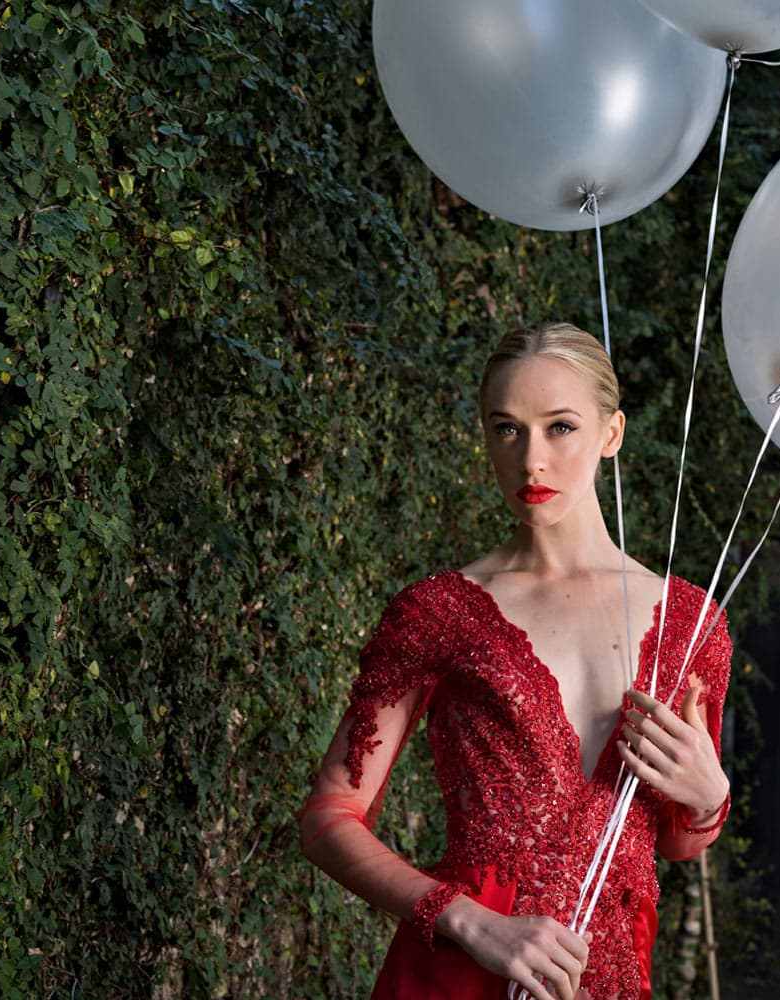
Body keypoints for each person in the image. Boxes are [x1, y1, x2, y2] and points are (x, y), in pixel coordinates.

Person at [299, 322, 733, 1000]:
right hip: (461, 972)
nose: (531, 460)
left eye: (560, 427)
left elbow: (675, 842)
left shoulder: (691, 622)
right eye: (507, 429)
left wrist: (710, 798)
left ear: (611, 434)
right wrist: (470, 922)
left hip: (611, 978)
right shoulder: (439, 611)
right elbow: (329, 818)